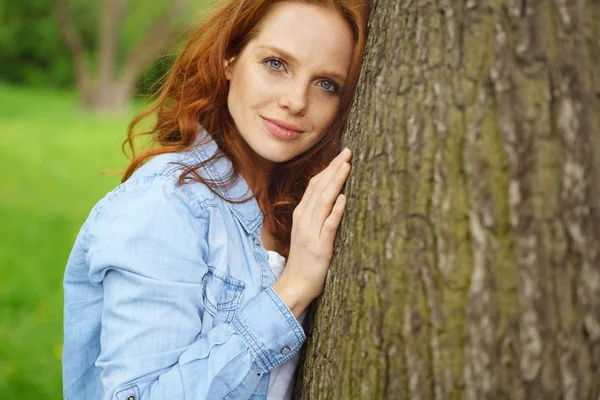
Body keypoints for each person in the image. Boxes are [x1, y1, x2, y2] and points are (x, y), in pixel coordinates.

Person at [62, 0, 369, 399]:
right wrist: (292, 290)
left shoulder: (298, 208)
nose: (296, 101)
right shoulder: (166, 203)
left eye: (326, 84)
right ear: (230, 57)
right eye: (276, 64)